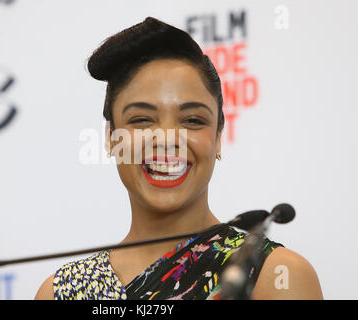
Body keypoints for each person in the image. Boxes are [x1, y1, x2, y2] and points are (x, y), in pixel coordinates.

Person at [35, 17, 323, 300]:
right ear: (111, 138)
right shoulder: (60, 292)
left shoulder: (275, 276)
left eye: (193, 120)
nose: (167, 139)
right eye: (142, 119)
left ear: (218, 137)